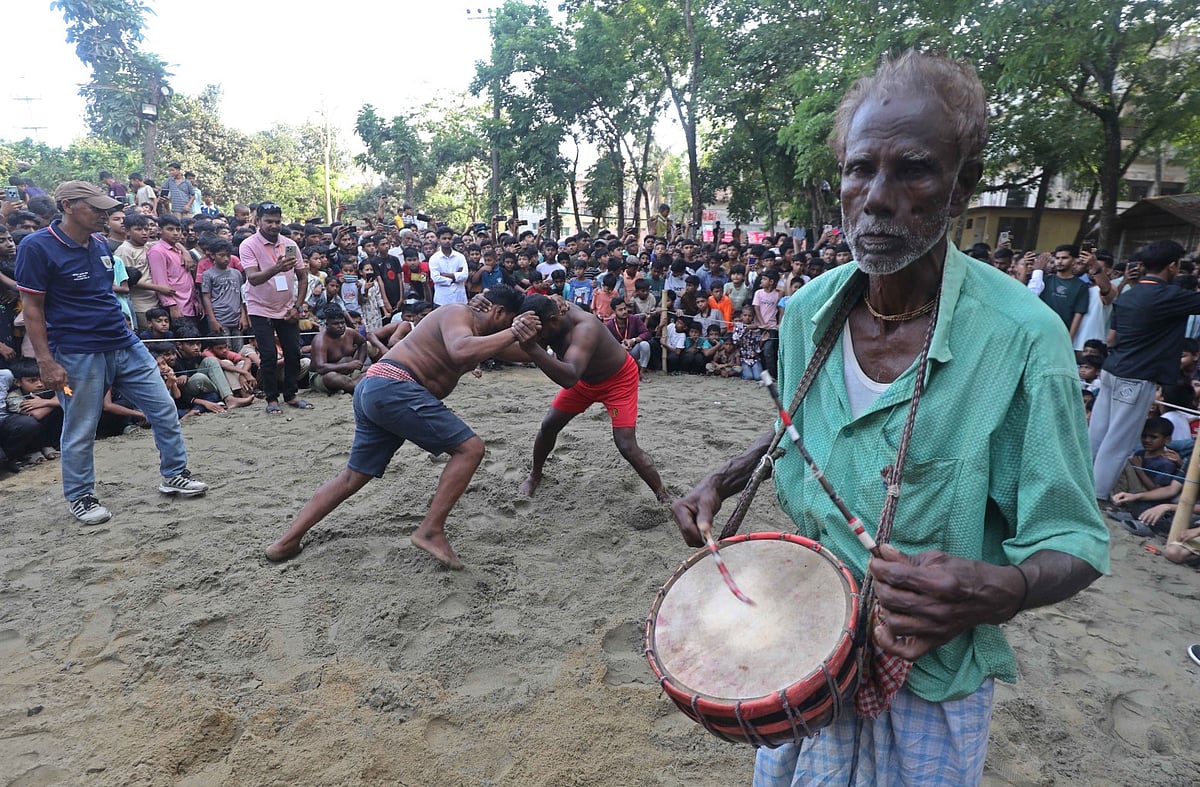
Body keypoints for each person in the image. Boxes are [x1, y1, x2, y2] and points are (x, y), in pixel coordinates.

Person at [671, 52, 1108, 784]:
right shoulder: (809, 314)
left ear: (962, 187)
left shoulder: (1024, 340)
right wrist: (730, 472)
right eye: (859, 169)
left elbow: (1075, 539)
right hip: (802, 651)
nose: (876, 198)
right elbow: (805, 427)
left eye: (913, 170)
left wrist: (1001, 590)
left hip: (928, 678)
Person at [264, 286, 540, 568]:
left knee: (353, 476)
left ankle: (286, 542)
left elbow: (522, 352)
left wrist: (550, 337)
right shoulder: (459, 313)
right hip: (395, 387)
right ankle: (430, 530)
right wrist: (514, 331)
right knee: (470, 449)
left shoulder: (481, 334)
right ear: (499, 312)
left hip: (379, 389)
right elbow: (460, 350)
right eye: (510, 321)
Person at [14, 181, 208, 524]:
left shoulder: (100, 243)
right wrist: (46, 360)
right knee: (81, 426)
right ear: (68, 205)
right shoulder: (37, 246)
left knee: (164, 408)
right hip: (77, 352)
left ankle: (174, 474)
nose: (104, 215)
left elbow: (104, 295)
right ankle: (80, 496)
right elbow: (32, 308)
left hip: (124, 343)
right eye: (96, 208)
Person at [508, 294, 670, 504]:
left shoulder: (585, 327)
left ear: (554, 321)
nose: (538, 338)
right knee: (548, 425)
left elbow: (569, 378)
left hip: (617, 380)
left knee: (626, 444)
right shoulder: (551, 310)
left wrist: (532, 348)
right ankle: (535, 475)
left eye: (540, 334)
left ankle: (662, 494)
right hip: (583, 379)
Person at [1091, 240, 1200, 501]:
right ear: (1172, 266)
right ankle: (1097, 496)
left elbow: (1113, 336)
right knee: (1119, 442)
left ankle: (1082, 488)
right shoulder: (1168, 296)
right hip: (1136, 377)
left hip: (1112, 369)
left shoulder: (1129, 293)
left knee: (1097, 434)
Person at [240, 201, 311, 415]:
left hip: (287, 307)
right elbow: (253, 278)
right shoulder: (248, 245)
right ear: (258, 221)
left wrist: (298, 306)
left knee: (293, 352)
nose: (274, 225)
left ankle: (290, 394)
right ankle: (271, 398)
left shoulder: (289, 244)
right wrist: (277, 267)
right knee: (269, 354)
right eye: (268, 221)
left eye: (277, 221)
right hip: (259, 307)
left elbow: (303, 277)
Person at [308, 306, 368, 395]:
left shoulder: (350, 332)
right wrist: (347, 366)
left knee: (373, 369)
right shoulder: (320, 340)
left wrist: (360, 362)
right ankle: (355, 384)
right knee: (331, 377)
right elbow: (320, 368)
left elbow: (363, 343)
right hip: (322, 375)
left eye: (342, 323)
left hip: (350, 372)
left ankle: (352, 384)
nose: (340, 326)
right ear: (327, 324)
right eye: (335, 324)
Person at [605, 297, 652, 380]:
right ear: (614, 311)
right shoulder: (609, 325)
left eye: (625, 308)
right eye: (620, 310)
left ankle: (642, 372)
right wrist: (620, 347)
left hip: (633, 351)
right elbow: (607, 345)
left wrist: (633, 340)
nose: (624, 311)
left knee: (645, 345)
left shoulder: (634, 319)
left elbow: (646, 334)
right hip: (619, 355)